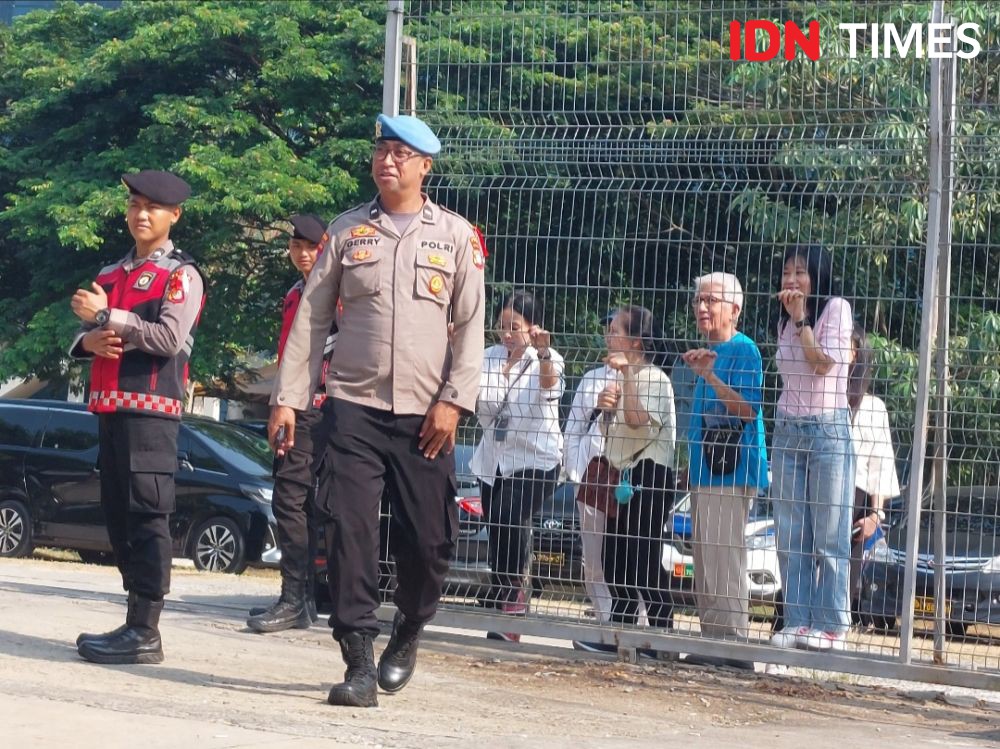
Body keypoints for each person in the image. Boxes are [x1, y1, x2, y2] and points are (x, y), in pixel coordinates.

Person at [269, 113, 485, 708]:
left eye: (400, 152)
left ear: (424, 166)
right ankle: (358, 658)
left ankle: (409, 629)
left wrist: (454, 401)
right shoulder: (345, 232)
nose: (387, 160)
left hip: (426, 416)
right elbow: (311, 321)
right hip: (353, 409)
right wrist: (288, 398)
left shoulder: (458, 238)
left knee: (430, 540)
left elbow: (469, 328)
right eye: (381, 150)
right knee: (349, 533)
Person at [69, 170, 205, 664]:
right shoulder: (110, 274)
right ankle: (133, 622)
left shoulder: (182, 275)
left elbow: (169, 339)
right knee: (118, 512)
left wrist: (109, 319)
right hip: (108, 407)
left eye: (153, 207)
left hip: (152, 410)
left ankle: (146, 628)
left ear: (175, 215)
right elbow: (89, 339)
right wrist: (87, 339)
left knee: (149, 513)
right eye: (134, 205)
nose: (141, 214)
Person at [247, 214, 336, 633]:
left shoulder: (340, 296)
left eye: (311, 247)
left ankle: (302, 598)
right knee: (292, 501)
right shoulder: (293, 293)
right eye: (296, 245)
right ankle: (297, 597)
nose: (302, 253)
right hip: (294, 407)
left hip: (327, 407)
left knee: (305, 502)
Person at [770, 245, 856, 652]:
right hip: (788, 429)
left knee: (829, 533)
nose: (791, 280)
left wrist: (802, 319)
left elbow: (823, 364)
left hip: (827, 431)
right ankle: (798, 620)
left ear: (817, 277)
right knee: (790, 534)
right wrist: (792, 319)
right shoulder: (782, 320)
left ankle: (833, 625)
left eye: (800, 272)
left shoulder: (834, 309)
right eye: (786, 272)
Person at [682, 273, 768, 670]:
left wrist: (711, 376)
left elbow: (748, 411)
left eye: (711, 301)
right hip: (705, 472)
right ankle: (712, 638)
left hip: (732, 472)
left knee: (725, 555)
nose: (702, 307)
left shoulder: (744, 351)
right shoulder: (707, 353)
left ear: (734, 309)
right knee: (705, 555)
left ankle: (734, 644)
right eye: (699, 300)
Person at [471, 291, 563, 642]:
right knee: (496, 524)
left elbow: (550, 387)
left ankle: (515, 598)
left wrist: (540, 354)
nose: (506, 334)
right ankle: (502, 597)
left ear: (533, 327)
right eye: (501, 326)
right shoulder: (489, 357)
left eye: (515, 327)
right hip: (493, 459)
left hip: (535, 458)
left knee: (512, 515)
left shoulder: (548, 357)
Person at [598, 306, 677, 632]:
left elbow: (637, 422)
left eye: (615, 331)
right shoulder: (620, 377)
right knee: (614, 560)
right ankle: (620, 633)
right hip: (622, 475)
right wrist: (605, 411)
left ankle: (661, 635)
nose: (609, 336)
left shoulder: (655, 378)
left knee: (644, 560)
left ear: (636, 342)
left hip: (649, 476)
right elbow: (613, 433)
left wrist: (628, 375)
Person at [846, 324, 899, 612]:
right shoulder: (820, 399)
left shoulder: (873, 407)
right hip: (813, 494)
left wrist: (875, 515)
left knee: (842, 578)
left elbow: (881, 463)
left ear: (858, 354)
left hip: (854, 501)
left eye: (847, 345)